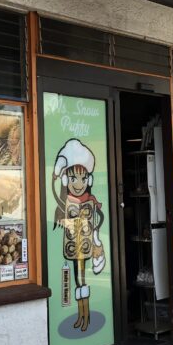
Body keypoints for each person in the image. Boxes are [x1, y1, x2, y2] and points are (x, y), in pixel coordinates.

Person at [52, 138, 106, 332]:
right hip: (73, 247)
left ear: (89, 180)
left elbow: (98, 219)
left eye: (83, 179)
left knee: (81, 280)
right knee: (78, 280)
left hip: (85, 246)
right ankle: (82, 315)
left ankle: (85, 315)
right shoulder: (66, 201)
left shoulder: (89, 201)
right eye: (73, 178)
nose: (79, 183)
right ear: (67, 179)